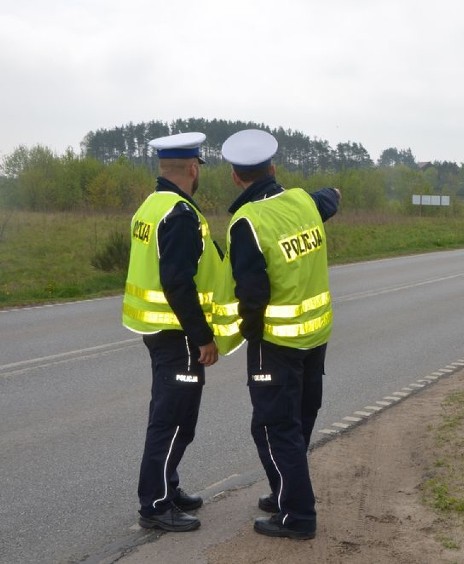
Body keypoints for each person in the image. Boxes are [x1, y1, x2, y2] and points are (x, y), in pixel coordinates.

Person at [212, 129, 341, 540]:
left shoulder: (246, 222)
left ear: (236, 177)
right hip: (315, 336)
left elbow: (251, 293)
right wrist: (335, 190)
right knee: (298, 420)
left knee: (272, 427)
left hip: (276, 343)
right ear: (273, 167)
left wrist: (250, 336)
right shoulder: (303, 201)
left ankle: (297, 515)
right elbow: (328, 199)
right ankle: (285, 491)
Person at [122, 132, 221, 532]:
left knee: (172, 414)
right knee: (174, 419)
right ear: (193, 169)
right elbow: (178, 283)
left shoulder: (151, 205)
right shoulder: (179, 214)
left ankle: (168, 485)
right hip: (178, 334)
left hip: (158, 330)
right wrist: (203, 338)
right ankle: (156, 504)